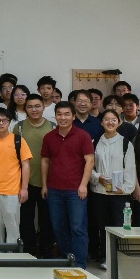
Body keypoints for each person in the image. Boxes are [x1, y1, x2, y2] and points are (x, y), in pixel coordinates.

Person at [41, 102, 95, 269]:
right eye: (59, 114)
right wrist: (44, 185)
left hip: (76, 190)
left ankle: (80, 264)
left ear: (73, 116)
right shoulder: (49, 137)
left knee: (78, 228)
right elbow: (45, 161)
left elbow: (90, 160)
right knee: (58, 228)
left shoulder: (83, 135)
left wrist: (83, 185)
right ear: (55, 116)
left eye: (66, 114)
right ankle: (68, 257)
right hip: (54, 190)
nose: (63, 117)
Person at [89, 110, 136, 268]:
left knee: (118, 226)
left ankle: (117, 259)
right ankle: (105, 257)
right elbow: (89, 166)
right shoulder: (95, 141)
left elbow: (130, 168)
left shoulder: (125, 143)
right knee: (102, 226)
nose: (110, 122)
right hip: (99, 191)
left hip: (119, 193)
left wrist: (126, 188)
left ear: (119, 122)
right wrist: (97, 177)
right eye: (106, 119)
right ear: (101, 122)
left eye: (113, 119)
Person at [0, 108, 32, 243]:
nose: (1, 123)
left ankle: (12, 255)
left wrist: (24, 188)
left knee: (12, 228)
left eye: (4, 120)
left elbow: (26, 165)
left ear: (10, 122)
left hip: (12, 192)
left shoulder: (18, 140)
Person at [14, 94, 55, 257]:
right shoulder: (19, 127)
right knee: (26, 218)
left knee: (47, 218)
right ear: (25, 109)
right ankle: (29, 250)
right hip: (25, 181)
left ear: (43, 107)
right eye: (30, 107)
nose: (34, 109)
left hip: (48, 180)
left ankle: (46, 250)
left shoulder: (52, 126)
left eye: (37, 106)